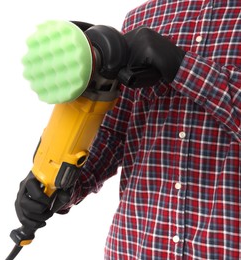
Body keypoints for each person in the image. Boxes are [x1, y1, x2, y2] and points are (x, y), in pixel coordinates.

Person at [15, 0, 241, 258]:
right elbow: (114, 133)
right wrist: (61, 185)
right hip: (136, 246)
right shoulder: (144, 16)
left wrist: (182, 66)